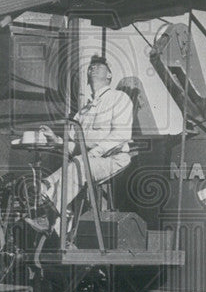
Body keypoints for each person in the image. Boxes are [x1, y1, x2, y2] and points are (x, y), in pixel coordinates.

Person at [28, 55, 133, 232]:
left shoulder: (119, 98)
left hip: (114, 158)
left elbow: (121, 134)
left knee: (79, 165)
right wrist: (58, 141)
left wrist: (94, 153)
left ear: (109, 75)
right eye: (91, 66)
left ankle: (50, 217)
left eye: (100, 66)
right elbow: (76, 146)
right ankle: (54, 221)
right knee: (47, 182)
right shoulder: (82, 112)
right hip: (86, 160)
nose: (94, 67)